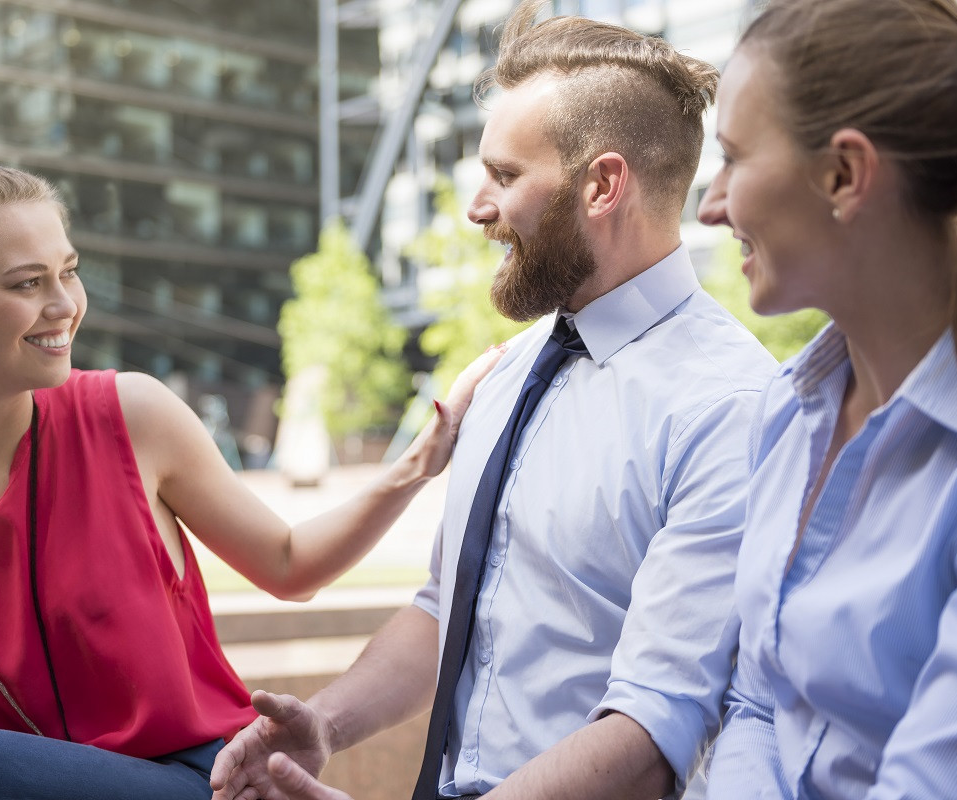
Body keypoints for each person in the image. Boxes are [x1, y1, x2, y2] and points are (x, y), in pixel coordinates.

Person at [210, 3, 777, 799]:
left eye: (505, 177)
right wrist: (326, 723)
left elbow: (653, 732)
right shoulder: (507, 375)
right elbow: (445, 608)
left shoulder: (731, 407)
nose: (477, 208)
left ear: (603, 185)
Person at [0, 162, 501, 800]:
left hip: (204, 781)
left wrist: (419, 462)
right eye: (26, 283)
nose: (65, 305)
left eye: (69, 272)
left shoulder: (130, 415)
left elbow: (291, 565)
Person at [694, 0, 957, 797]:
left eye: (733, 158)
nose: (711, 204)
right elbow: (760, 702)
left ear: (844, 176)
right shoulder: (787, 413)